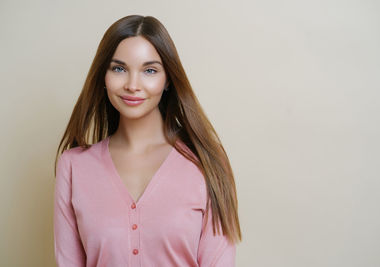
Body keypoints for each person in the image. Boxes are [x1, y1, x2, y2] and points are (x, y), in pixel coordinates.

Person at [53, 14, 242, 267]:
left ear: (167, 81)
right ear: (104, 77)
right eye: (119, 68)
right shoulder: (74, 166)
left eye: (149, 70)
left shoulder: (206, 160)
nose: (132, 85)